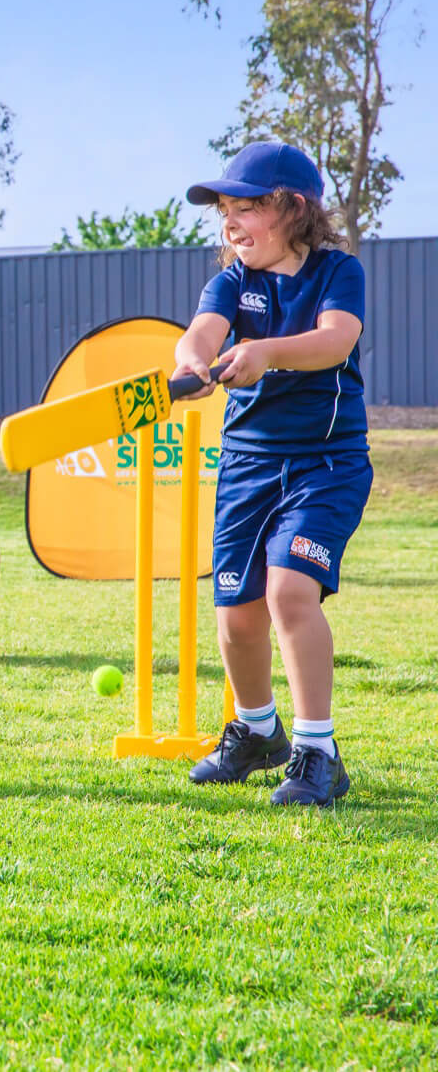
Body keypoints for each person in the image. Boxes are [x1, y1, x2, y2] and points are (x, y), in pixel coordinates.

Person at [173, 141, 370, 807]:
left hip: (326, 463)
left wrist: (264, 353)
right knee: (236, 617)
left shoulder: (338, 271)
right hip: (246, 467)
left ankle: (319, 752)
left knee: (289, 593)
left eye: (245, 208)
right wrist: (194, 361)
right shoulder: (232, 281)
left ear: (292, 208)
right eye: (224, 211)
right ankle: (258, 732)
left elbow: (335, 340)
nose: (230, 223)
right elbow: (201, 332)